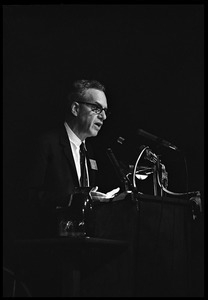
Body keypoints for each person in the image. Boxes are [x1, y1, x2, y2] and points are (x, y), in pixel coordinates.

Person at [27, 79, 119, 238]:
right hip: (48, 242)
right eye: (97, 108)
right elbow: (28, 196)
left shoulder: (89, 151)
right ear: (76, 108)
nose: (103, 116)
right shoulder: (46, 144)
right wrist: (73, 200)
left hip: (82, 242)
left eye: (105, 111)